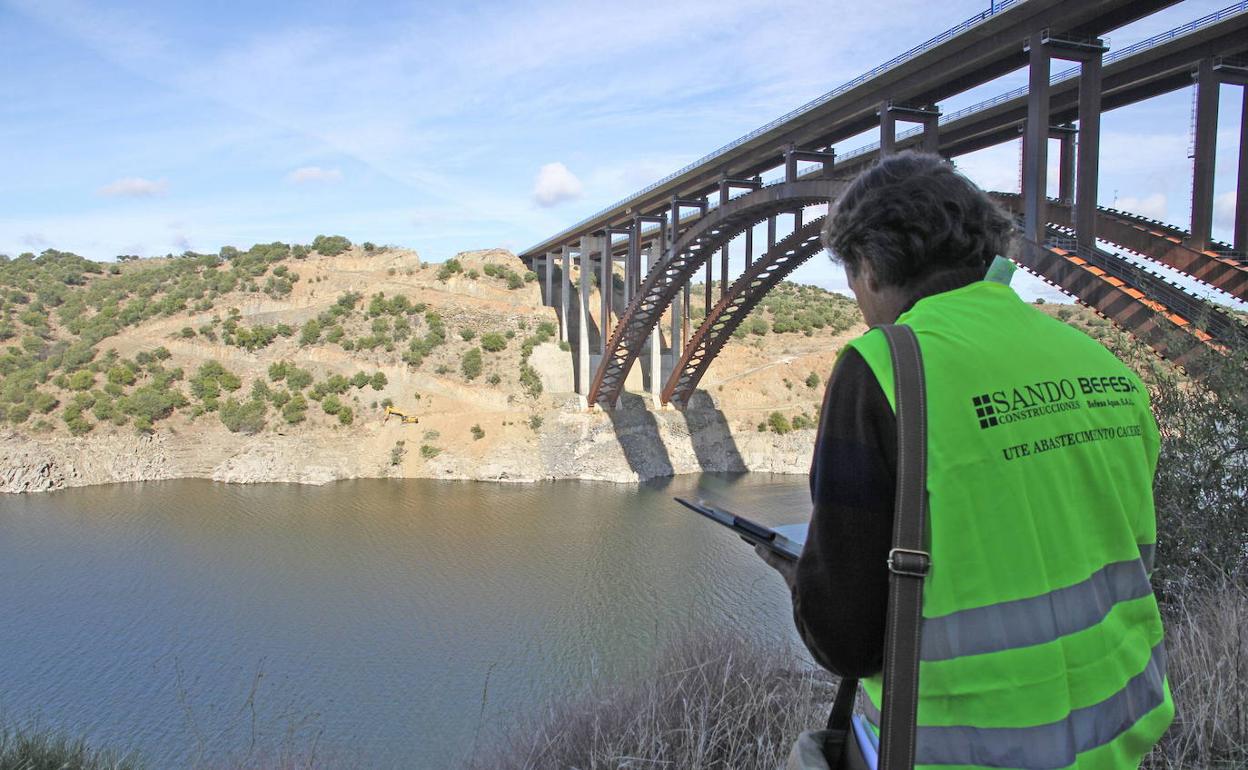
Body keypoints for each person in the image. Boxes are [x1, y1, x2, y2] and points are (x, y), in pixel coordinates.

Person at [756, 152, 1173, 768]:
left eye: (851, 282)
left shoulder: (884, 367)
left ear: (869, 267)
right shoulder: (1105, 366)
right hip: (1117, 738)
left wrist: (801, 581)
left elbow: (845, 640)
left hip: (959, 751)